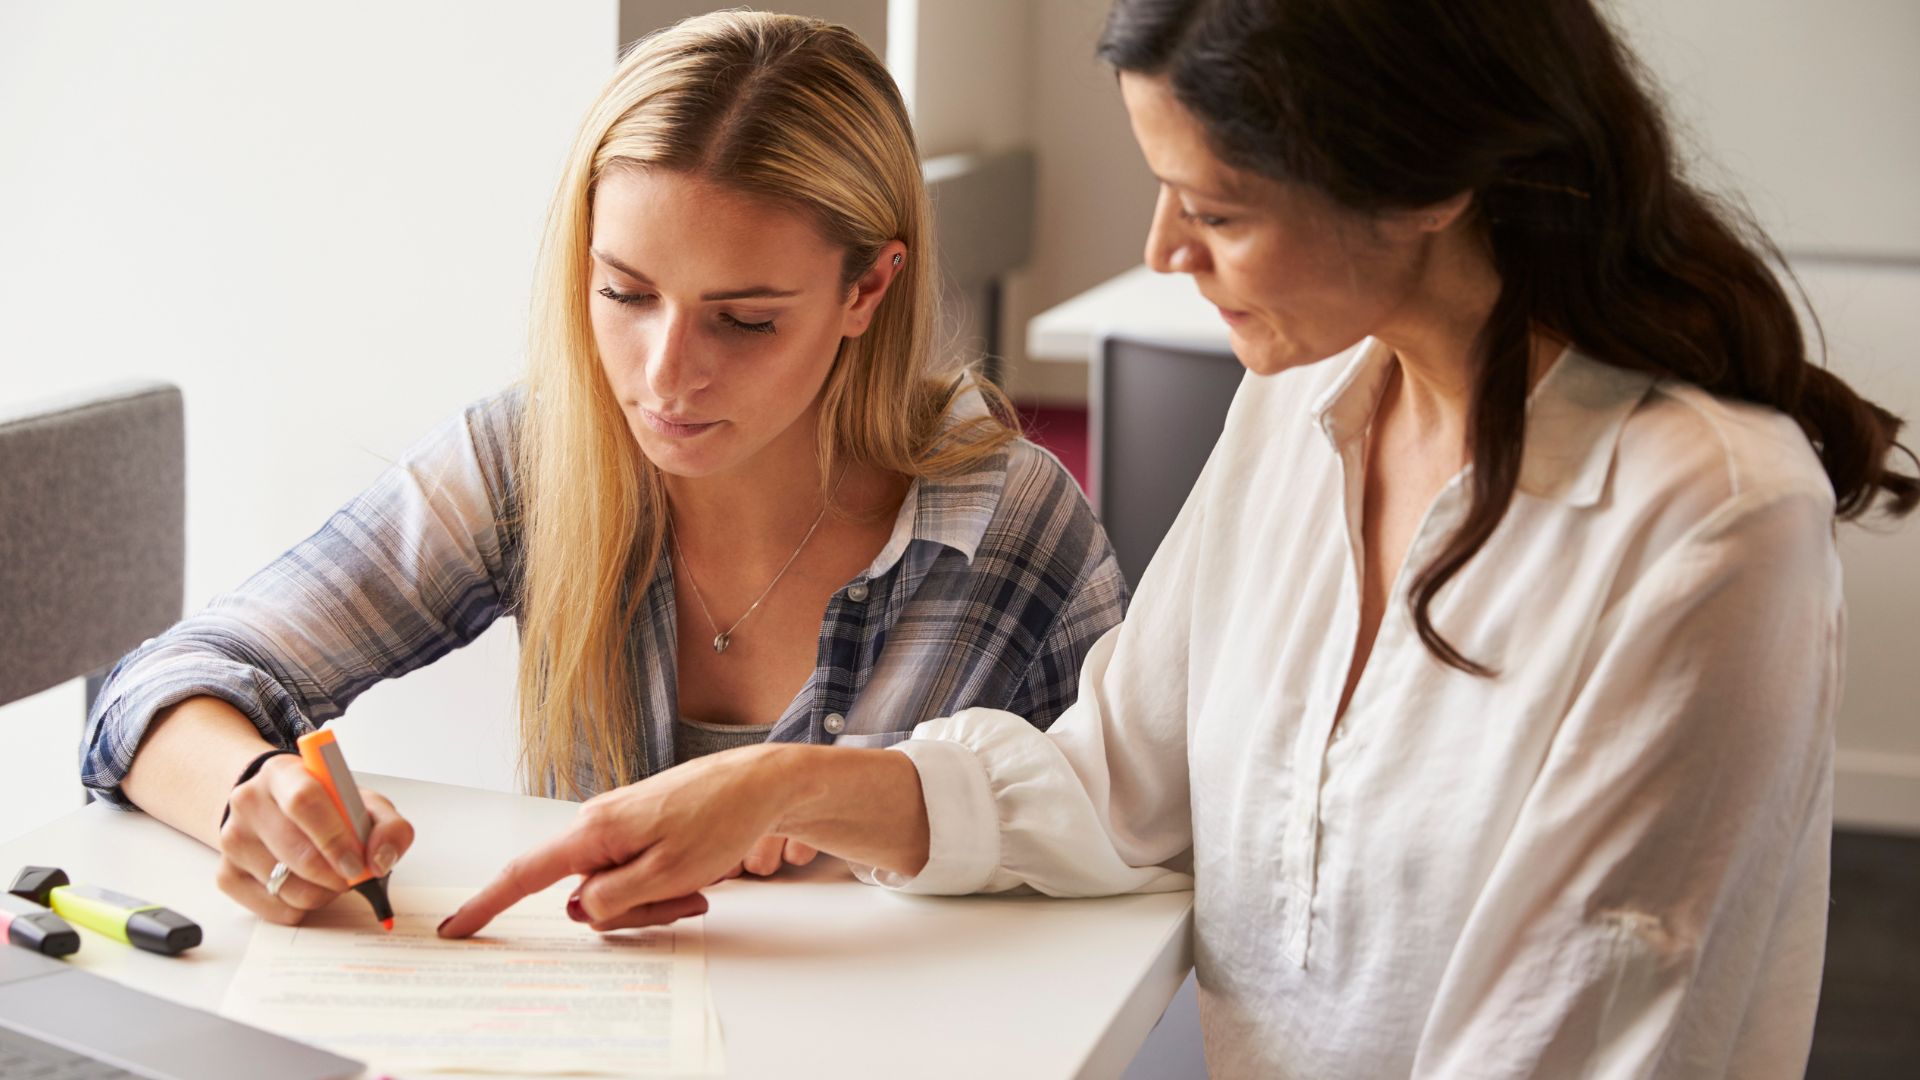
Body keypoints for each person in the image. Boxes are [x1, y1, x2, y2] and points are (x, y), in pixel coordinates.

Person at [439, 0, 1920, 1075]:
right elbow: (1114, 789)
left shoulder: (1705, 519)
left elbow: (1580, 1035)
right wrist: (782, 785)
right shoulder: (1299, 417)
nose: (1161, 250)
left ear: (1429, 188)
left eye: (1217, 205)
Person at [81, 11, 1124, 932]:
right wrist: (252, 796)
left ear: (869, 290)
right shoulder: (532, 457)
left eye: (745, 319)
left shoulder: (1008, 524)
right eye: (625, 294)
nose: (664, 377)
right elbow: (162, 687)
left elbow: (1149, 851)